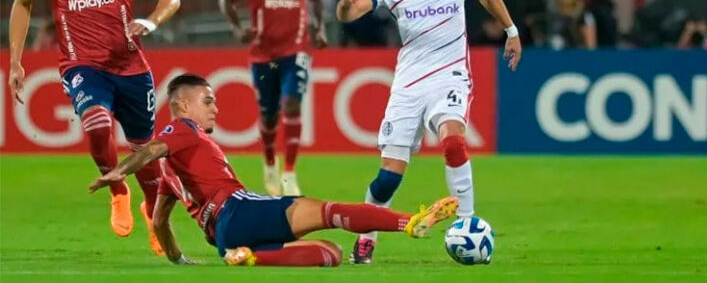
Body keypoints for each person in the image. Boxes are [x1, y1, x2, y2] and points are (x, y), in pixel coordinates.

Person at [88, 73, 458, 267]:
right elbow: (152, 147)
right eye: (208, 100)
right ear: (182, 105)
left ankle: (248, 257)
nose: (215, 108)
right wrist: (121, 170)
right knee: (326, 211)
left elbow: (159, 222)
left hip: (224, 238)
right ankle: (410, 221)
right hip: (238, 210)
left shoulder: (170, 171)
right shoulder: (182, 130)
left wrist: (178, 259)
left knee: (328, 253)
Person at [7, 0, 180, 255]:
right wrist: (16, 61)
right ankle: (116, 186)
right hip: (82, 65)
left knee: (145, 154)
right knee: (97, 124)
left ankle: (152, 214)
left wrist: (151, 22)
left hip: (131, 67)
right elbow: (22, 2)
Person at [335, 0, 522, 264]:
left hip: (450, 76)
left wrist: (511, 31)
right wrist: (347, 3)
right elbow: (351, 14)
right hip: (408, 84)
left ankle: (467, 222)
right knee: (388, 179)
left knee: (453, 142)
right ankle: (367, 237)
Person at [218, 0, 326, 197]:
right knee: (268, 115)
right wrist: (236, 27)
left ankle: (289, 172)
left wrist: (320, 27)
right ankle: (269, 161)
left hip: (297, 49)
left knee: (291, 105)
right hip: (263, 54)